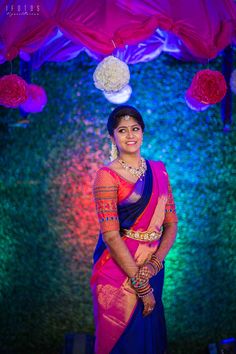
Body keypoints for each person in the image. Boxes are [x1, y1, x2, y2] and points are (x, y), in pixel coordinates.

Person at [90, 105, 178, 354]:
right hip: (117, 272)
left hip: (152, 266)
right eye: (122, 130)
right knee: (124, 342)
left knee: (150, 337)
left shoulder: (158, 170)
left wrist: (153, 265)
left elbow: (171, 224)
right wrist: (141, 284)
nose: (130, 135)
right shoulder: (106, 176)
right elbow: (109, 235)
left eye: (135, 128)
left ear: (142, 132)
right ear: (113, 137)